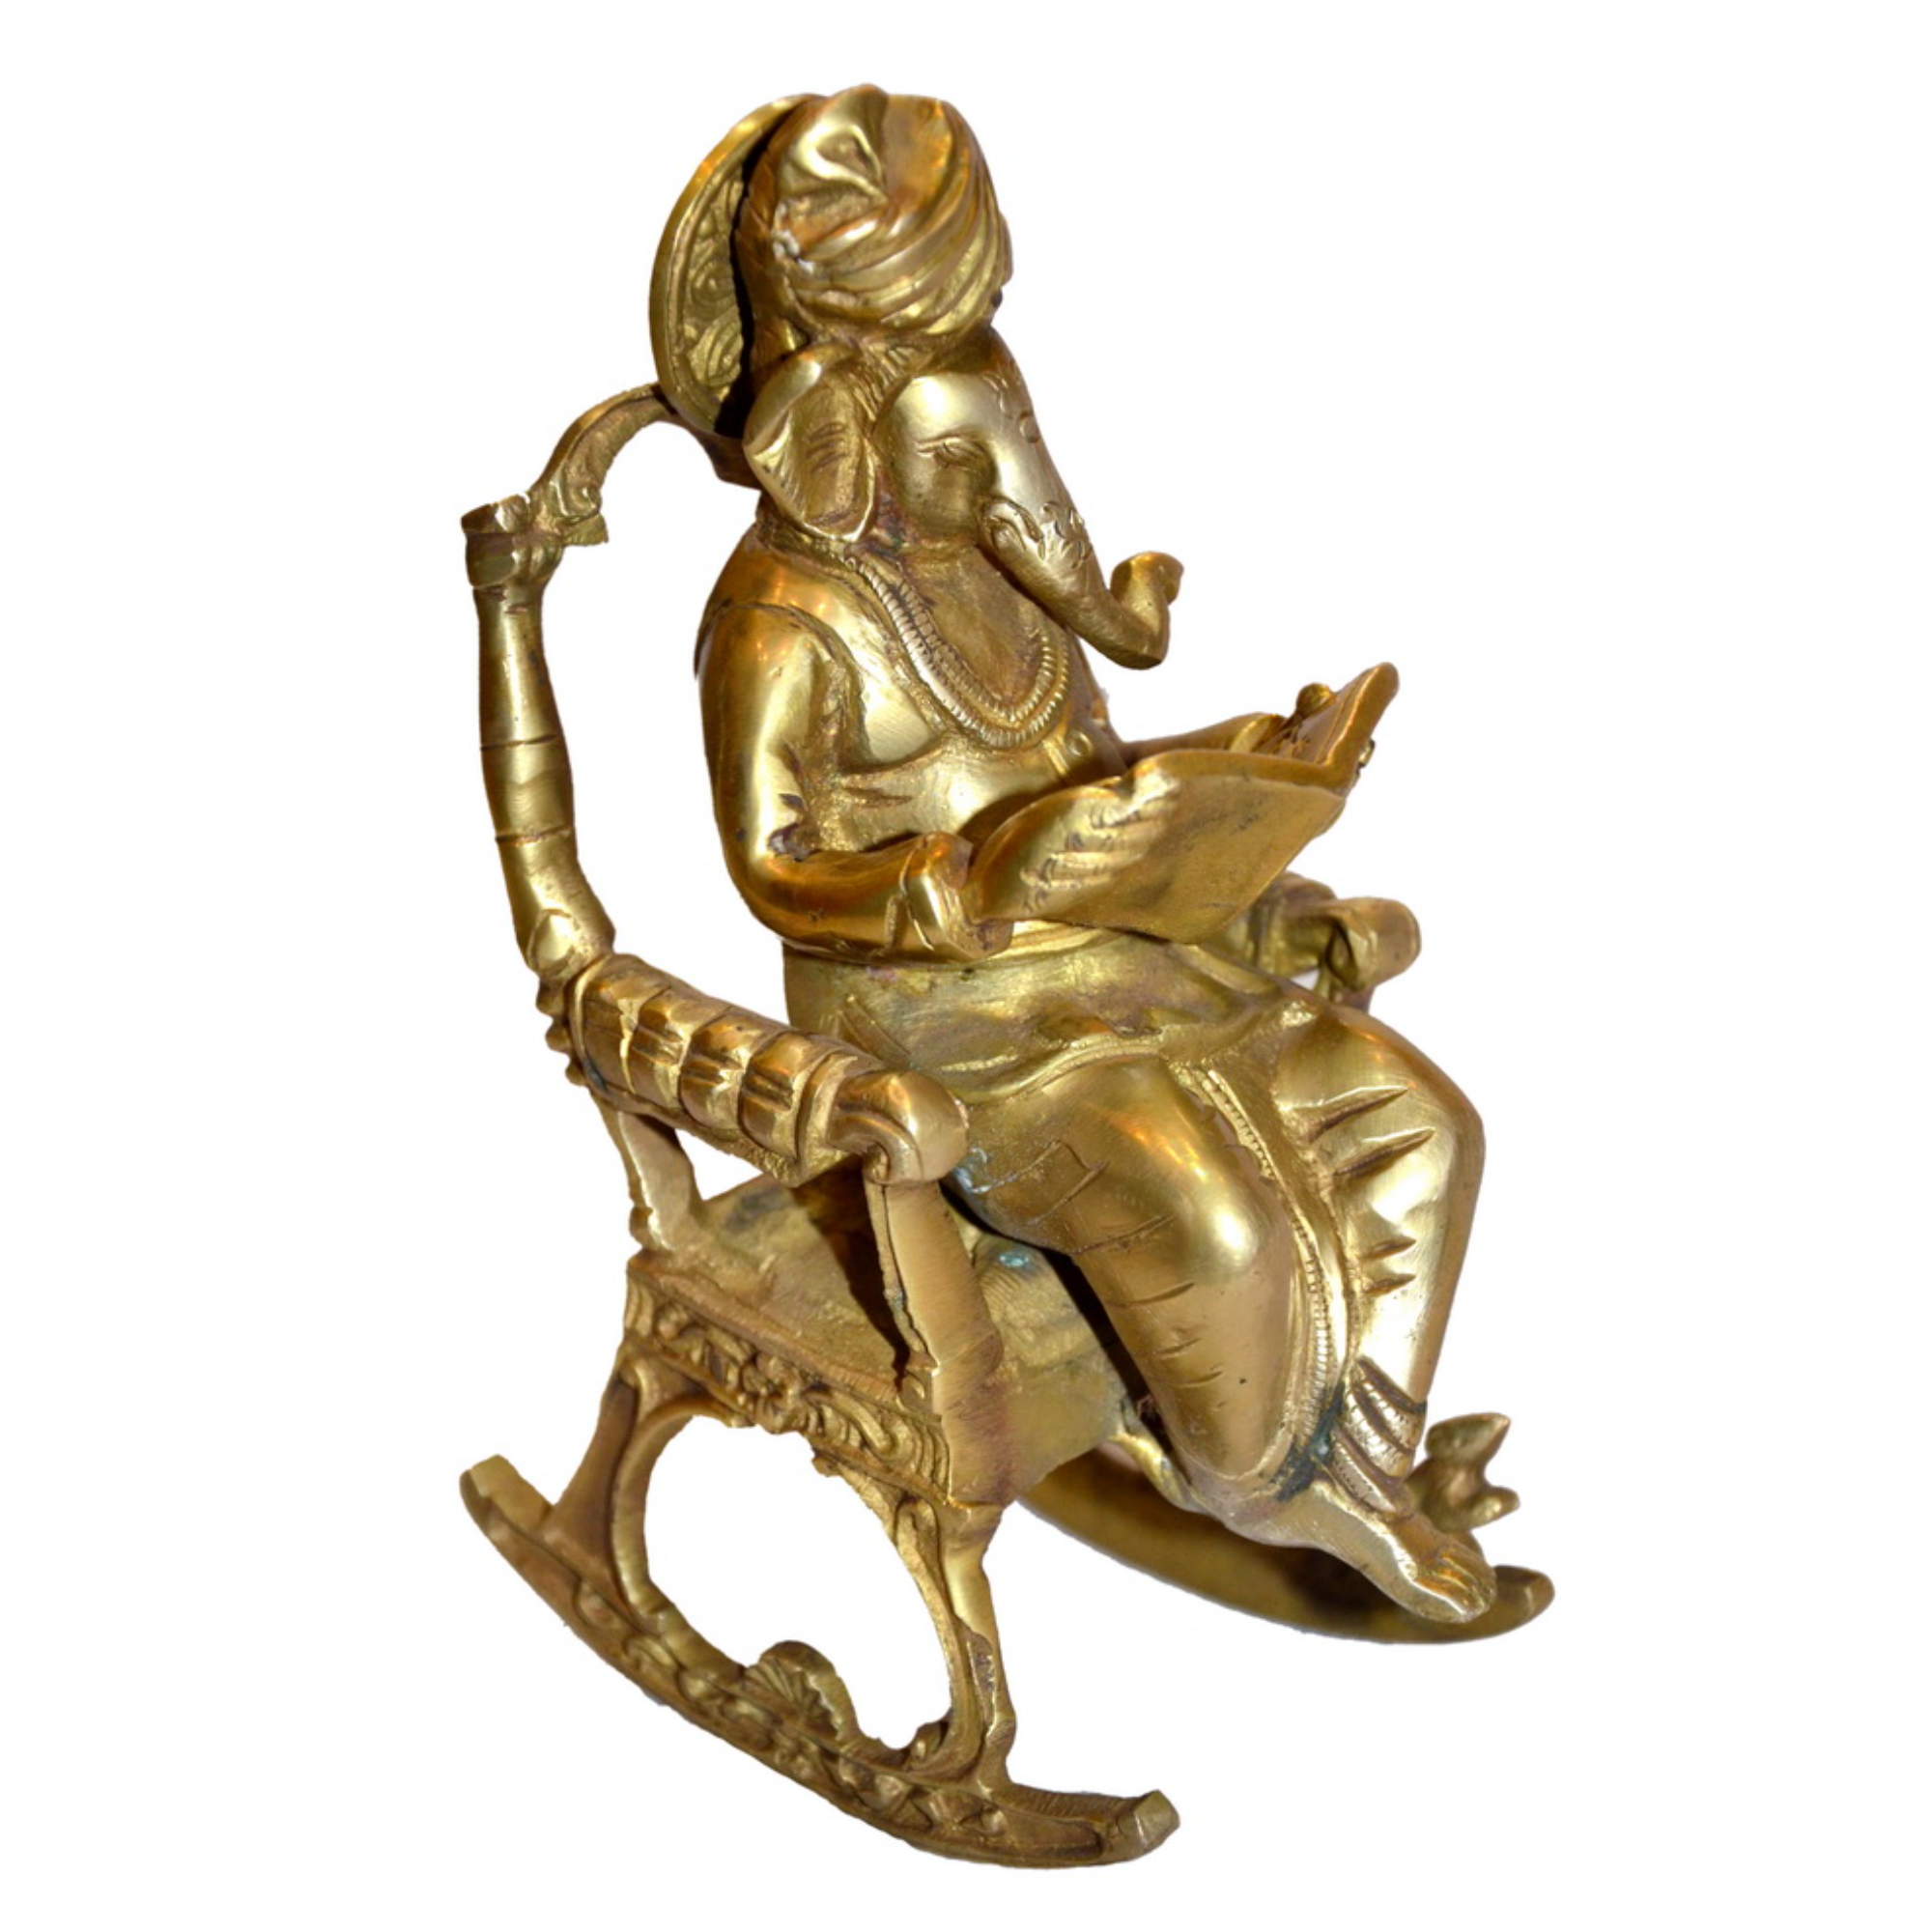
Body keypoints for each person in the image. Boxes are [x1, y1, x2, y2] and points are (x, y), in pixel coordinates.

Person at [696, 86, 1494, 1621]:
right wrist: (960, 889)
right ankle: (1260, 1481)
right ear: (845, 444)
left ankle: (1350, 1460)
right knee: (1215, 1221)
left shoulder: (993, 592)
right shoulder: (783, 622)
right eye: (969, 462)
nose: (1011, 489)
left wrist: (1236, 779)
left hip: (1120, 962)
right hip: (933, 1017)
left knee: (1421, 1129)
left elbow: (1082, 783)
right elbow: (771, 864)